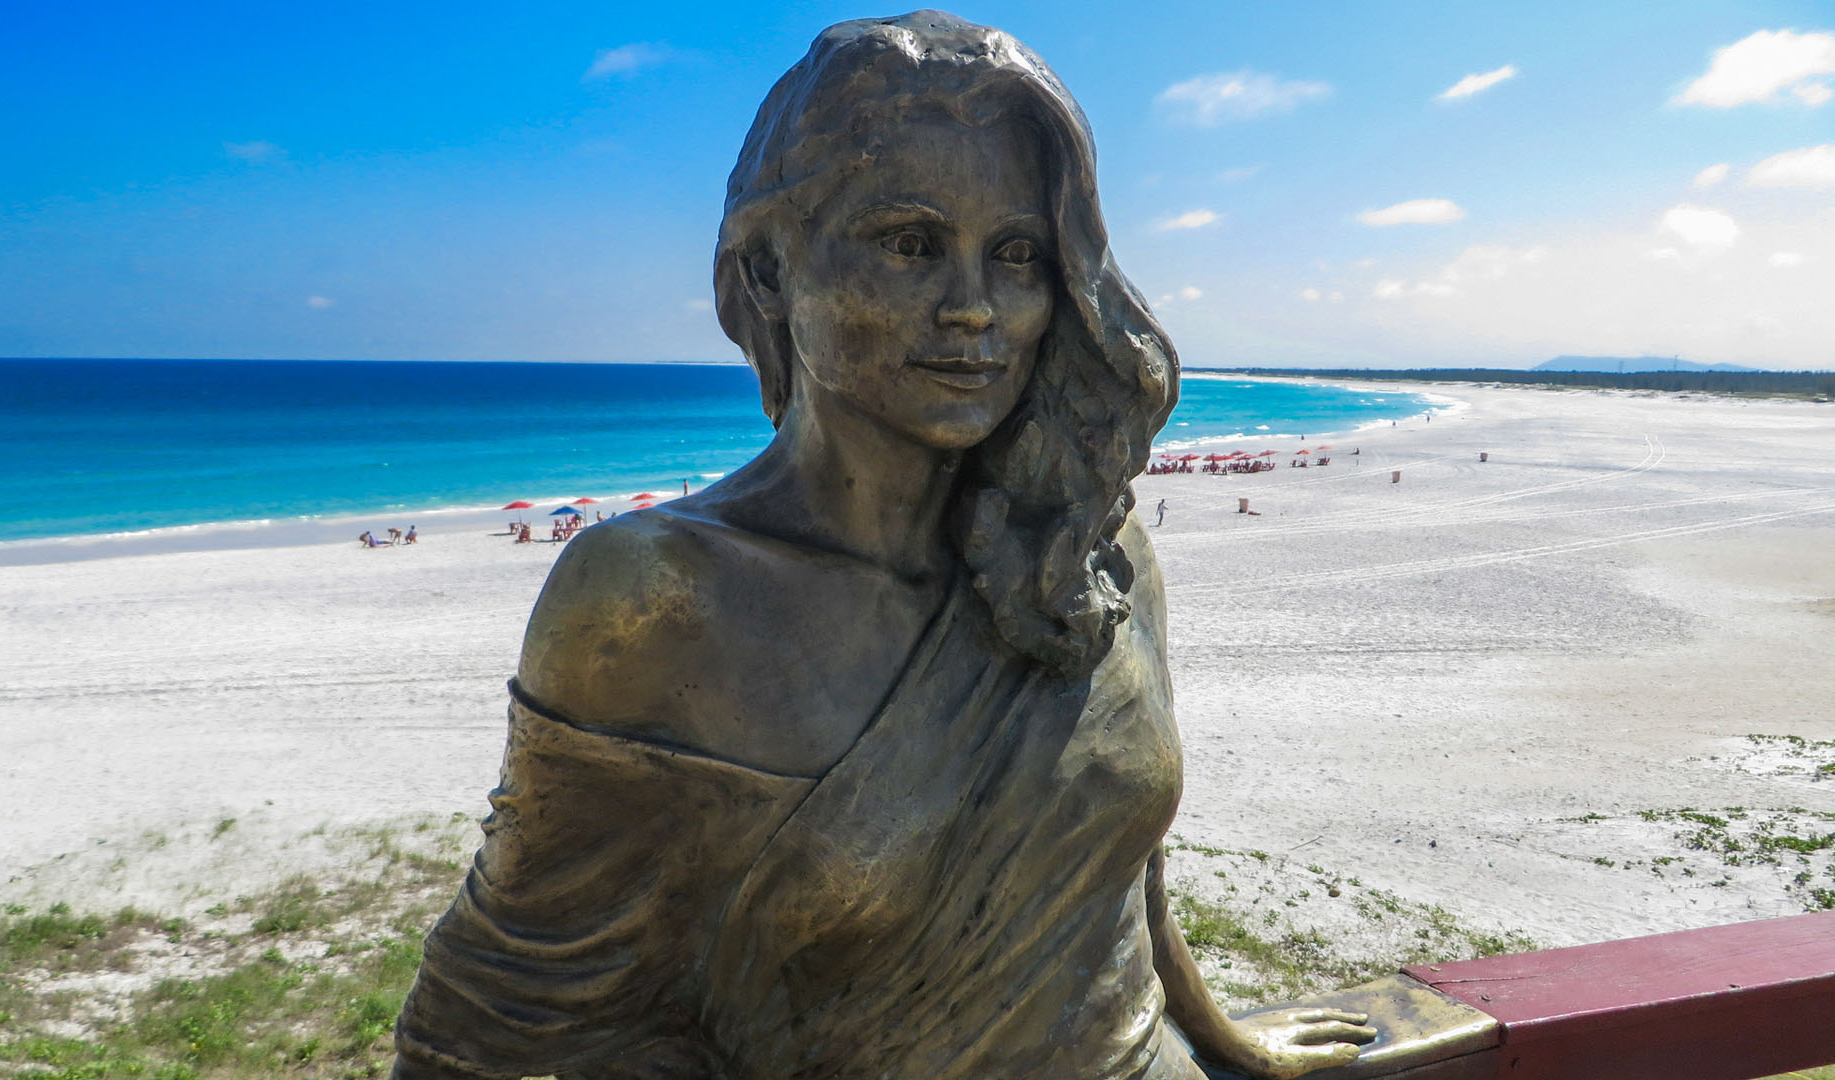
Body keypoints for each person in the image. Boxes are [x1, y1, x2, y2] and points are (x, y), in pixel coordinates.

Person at [392, 14, 1371, 1080]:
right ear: (768, 269)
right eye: (910, 243)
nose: (972, 308)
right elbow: (479, 1027)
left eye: (1016, 255)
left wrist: (1227, 1038)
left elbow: (1116, 867)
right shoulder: (658, 602)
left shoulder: (1096, 549)